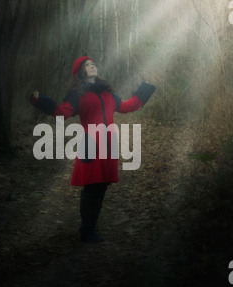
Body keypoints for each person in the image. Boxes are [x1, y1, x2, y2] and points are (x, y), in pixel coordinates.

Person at [30, 56, 156, 243]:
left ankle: (91, 227)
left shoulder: (108, 93)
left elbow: (128, 106)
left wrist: (144, 88)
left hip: (109, 144)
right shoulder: (76, 94)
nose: (92, 66)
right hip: (91, 143)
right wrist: (40, 100)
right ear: (80, 71)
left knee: (102, 186)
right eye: (87, 65)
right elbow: (62, 113)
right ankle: (87, 230)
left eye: (93, 63)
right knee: (91, 187)